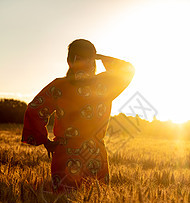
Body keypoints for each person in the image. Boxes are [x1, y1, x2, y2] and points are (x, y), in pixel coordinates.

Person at [21, 39, 135, 193]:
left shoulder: (59, 87)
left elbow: (34, 109)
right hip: (95, 155)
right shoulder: (105, 84)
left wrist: (45, 141)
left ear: (69, 61)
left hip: (65, 156)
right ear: (92, 61)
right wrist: (101, 58)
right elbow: (127, 70)